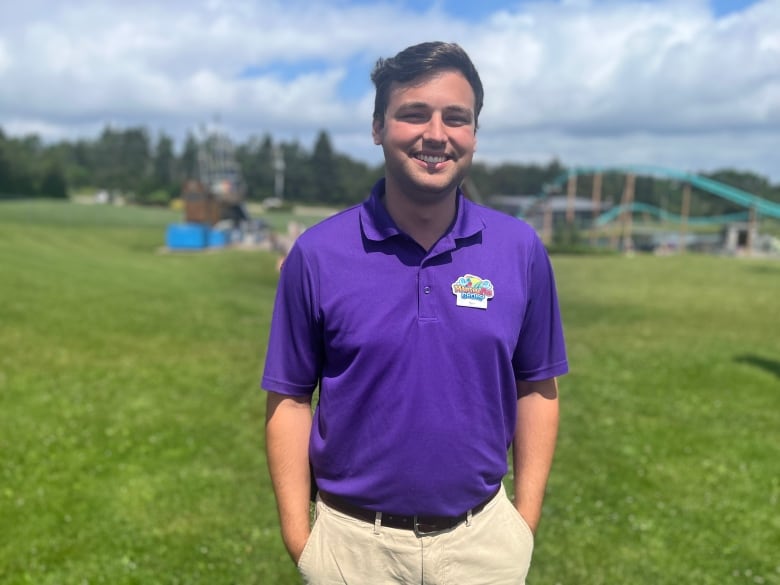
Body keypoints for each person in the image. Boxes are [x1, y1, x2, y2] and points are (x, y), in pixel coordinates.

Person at [263, 41, 568, 585]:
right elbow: (288, 395)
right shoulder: (317, 253)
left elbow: (537, 386)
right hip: (352, 547)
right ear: (378, 127)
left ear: (474, 132)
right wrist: (300, 538)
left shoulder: (519, 250)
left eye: (457, 117)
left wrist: (523, 523)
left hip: (484, 544)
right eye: (413, 114)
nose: (436, 134)